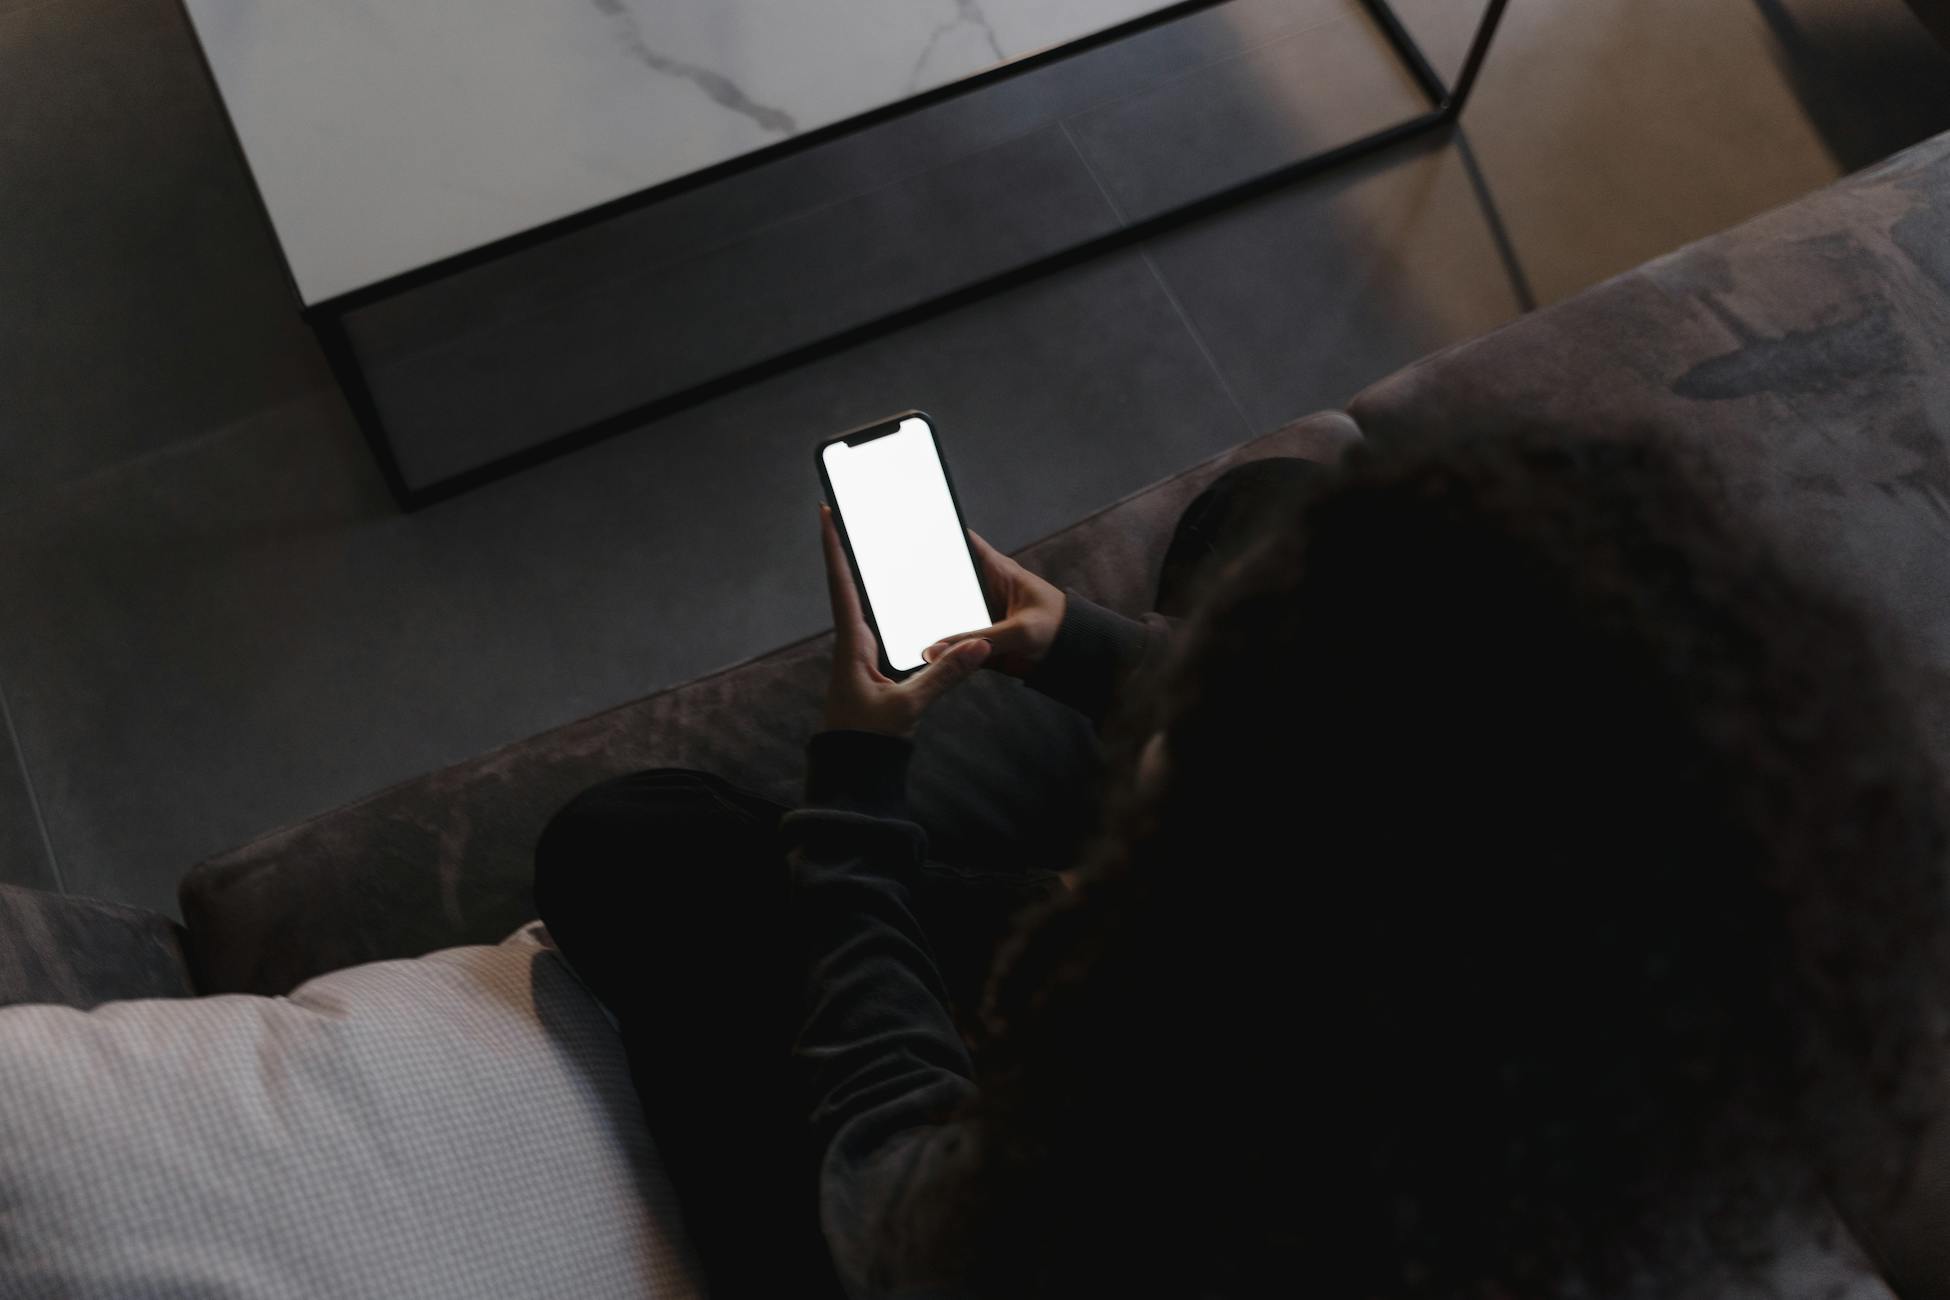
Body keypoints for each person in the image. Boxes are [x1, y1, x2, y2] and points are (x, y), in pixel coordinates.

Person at [535, 433, 1950, 1300]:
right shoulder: (1684, 1031)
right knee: (1264, 511)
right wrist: (1084, 646)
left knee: (630, 852)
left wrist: (856, 794)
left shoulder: (1140, 1179)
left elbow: (888, 1173)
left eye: (1190, 758)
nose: (1166, 740)